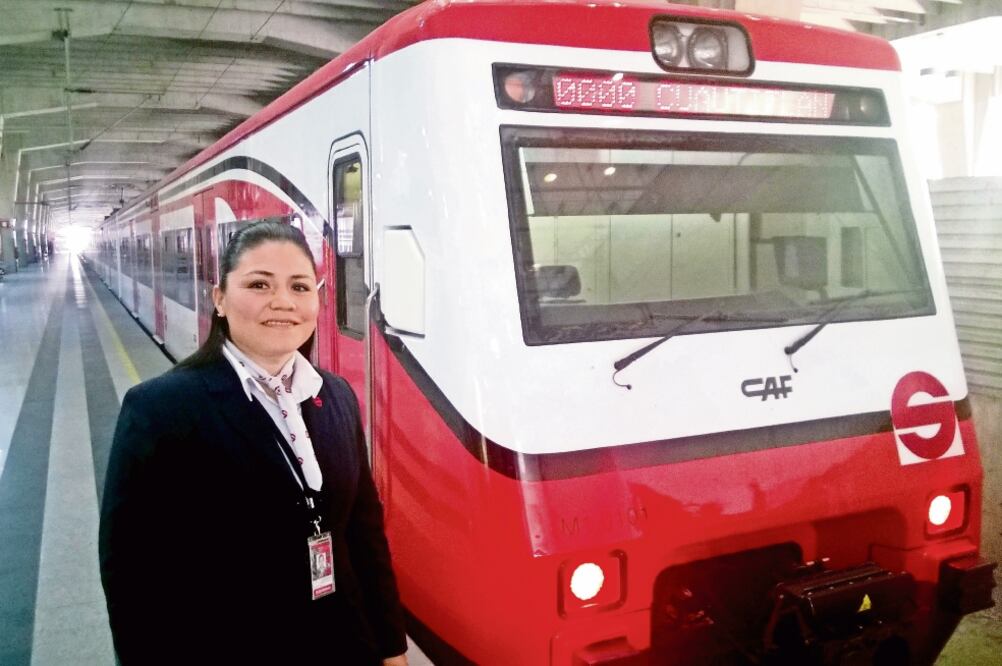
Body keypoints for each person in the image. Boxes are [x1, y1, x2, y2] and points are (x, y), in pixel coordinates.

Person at [99, 220, 408, 665]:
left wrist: (391, 645)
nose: (283, 302)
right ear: (220, 298)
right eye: (259, 284)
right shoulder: (161, 410)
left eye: (300, 287)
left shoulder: (335, 395)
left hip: (344, 643)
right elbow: (131, 574)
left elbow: (363, 530)